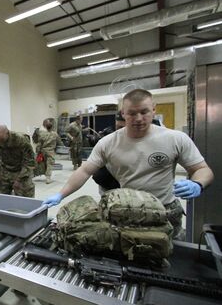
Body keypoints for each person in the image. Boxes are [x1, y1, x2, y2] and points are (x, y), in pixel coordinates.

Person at [43, 89, 214, 239]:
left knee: (173, 255)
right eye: (132, 113)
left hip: (165, 212)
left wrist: (197, 183)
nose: (138, 118)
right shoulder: (108, 143)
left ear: (154, 110)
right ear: (123, 113)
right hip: (128, 212)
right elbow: (85, 170)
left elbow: (202, 169)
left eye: (144, 112)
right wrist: (61, 194)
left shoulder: (175, 138)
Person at [0, 125, 36, 197]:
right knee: (0, 197)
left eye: (2, 140)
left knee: (26, 198)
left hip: (21, 171)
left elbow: (29, 162)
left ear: (7, 133)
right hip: (5, 170)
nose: (0, 143)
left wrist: (19, 179)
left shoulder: (21, 140)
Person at [92, 112, 125, 194]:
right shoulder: (109, 135)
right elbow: (85, 170)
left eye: (123, 127)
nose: (119, 130)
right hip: (106, 182)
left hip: (122, 184)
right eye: (118, 126)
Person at [33, 118, 62, 184]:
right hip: (50, 152)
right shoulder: (55, 134)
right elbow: (59, 142)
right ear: (52, 127)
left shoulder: (42, 134)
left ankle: (42, 175)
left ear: (46, 127)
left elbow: (39, 143)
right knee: (49, 164)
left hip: (43, 151)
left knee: (43, 163)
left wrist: (38, 151)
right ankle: (48, 178)